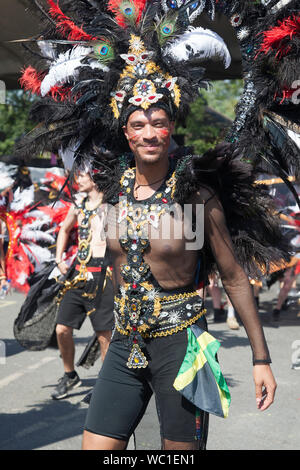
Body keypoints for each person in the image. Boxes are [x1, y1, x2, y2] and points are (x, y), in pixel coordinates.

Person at [15, 0, 298, 452]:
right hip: (125, 344)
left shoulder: (196, 197)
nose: (149, 132)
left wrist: (261, 359)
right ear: (126, 132)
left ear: (170, 128)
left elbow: (234, 277)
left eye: (159, 122)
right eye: (139, 123)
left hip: (181, 344)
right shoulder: (113, 190)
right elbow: (109, 258)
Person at [51, 169, 114, 400]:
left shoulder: (111, 203)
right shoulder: (78, 204)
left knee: (104, 335)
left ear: (95, 178)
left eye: (82, 177)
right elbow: (64, 229)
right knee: (62, 328)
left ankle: (107, 385)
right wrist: (59, 259)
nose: (77, 181)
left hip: (103, 274)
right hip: (78, 273)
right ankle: (70, 376)